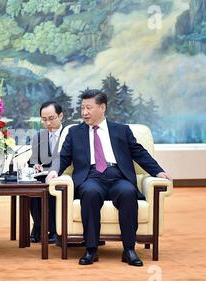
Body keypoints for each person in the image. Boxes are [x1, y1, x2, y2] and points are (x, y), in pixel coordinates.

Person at [46, 89, 171, 266]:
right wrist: (53, 171)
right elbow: (63, 156)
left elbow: (139, 153)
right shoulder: (75, 132)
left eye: (89, 108)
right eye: (82, 108)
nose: (84, 113)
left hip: (117, 177)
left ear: (102, 107)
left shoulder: (121, 130)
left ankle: (129, 250)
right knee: (89, 193)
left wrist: (158, 171)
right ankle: (91, 250)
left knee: (128, 193)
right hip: (91, 177)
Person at [28, 101, 64, 244]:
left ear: (60, 116)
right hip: (42, 175)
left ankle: (55, 230)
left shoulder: (69, 134)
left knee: (51, 189)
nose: (47, 123)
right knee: (30, 190)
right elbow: (32, 159)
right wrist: (35, 164)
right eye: (44, 120)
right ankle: (38, 226)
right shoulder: (39, 136)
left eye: (51, 118)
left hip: (61, 175)